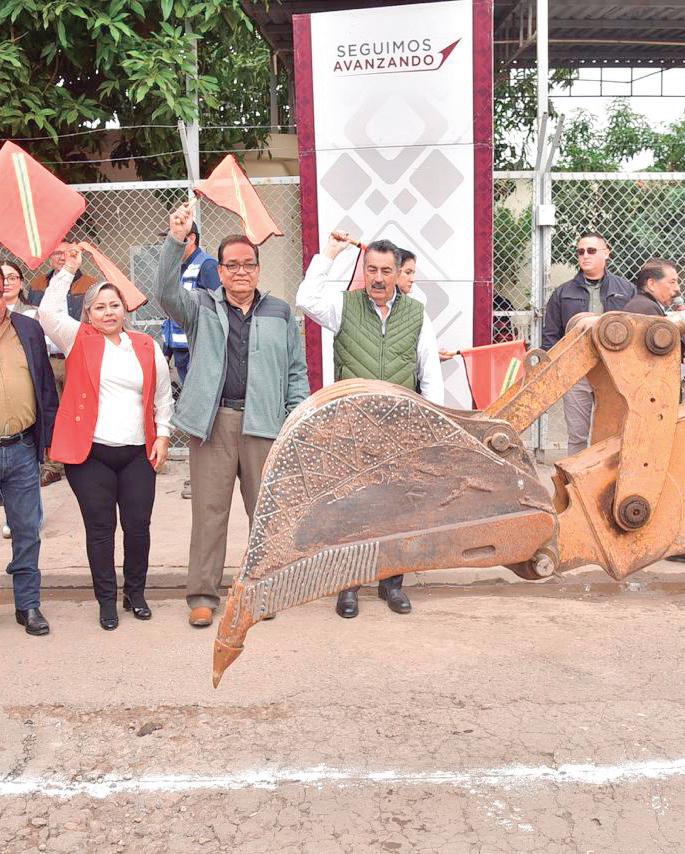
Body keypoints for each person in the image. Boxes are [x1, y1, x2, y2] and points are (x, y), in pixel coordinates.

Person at [158, 203, 310, 628]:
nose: (241, 271)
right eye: (232, 265)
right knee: (209, 513)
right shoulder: (200, 307)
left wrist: (294, 418)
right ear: (220, 271)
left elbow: (295, 371)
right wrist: (176, 240)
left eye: (249, 264)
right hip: (214, 424)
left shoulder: (280, 311)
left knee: (266, 515)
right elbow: (164, 292)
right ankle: (203, 595)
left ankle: (264, 589)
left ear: (258, 270)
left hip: (265, 424)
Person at [296, 231, 443, 619]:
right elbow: (306, 299)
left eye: (386, 271)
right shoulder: (343, 306)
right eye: (372, 270)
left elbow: (429, 373)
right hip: (351, 428)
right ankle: (348, 586)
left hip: (400, 430)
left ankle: (392, 584)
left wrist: (431, 425)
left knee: (397, 508)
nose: (378, 278)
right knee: (351, 508)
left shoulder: (416, 314)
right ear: (364, 271)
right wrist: (329, 253)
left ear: (398, 272)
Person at [37, 248, 173, 631]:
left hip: (137, 454)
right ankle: (106, 600)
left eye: (114, 305)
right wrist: (68, 270)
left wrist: (163, 435)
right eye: (99, 307)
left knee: (138, 527)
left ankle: (136, 593)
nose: (108, 312)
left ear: (124, 310)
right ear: (88, 314)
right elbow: (48, 312)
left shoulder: (145, 345)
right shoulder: (78, 339)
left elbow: (163, 396)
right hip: (91, 456)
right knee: (100, 531)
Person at [0, 265, 59, 635]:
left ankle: (28, 605)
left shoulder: (28, 329)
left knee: (26, 531)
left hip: (21, 447)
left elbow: (46, 386)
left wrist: (49, 440)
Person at [542, 232, 634, 456]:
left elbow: (635, 329)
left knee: (612, 432)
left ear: (606, 253)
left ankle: (606, 476)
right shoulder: (562, 292)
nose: (585, 255)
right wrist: (557, 369)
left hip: (612, 371)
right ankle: (574, 477)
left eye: (591, 250)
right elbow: (551, 335)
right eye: (580, 251)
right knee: (577, 435)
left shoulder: (626, 289)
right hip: (577, 371)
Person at [160, 221, 220, 501]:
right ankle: (202, 474)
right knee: (195, 415)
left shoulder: (206, 266)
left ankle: (204, 477)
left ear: (192, 238)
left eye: (177, 237)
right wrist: (167, 351)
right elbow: (172, 314)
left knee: (203, 415)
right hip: (182, 353)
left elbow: (217, 309)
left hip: (199, 353)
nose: (169, 243)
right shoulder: (179, 267)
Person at [29, 243, 98, 487]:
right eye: (56, 253)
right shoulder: (38, 284)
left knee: (80, 408)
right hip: (48, 357)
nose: (61, 257)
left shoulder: (89, 284)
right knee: (51, 410)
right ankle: (54, 465)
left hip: (76, 355)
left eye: (66, 253)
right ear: (50, 257)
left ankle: (85, 457)